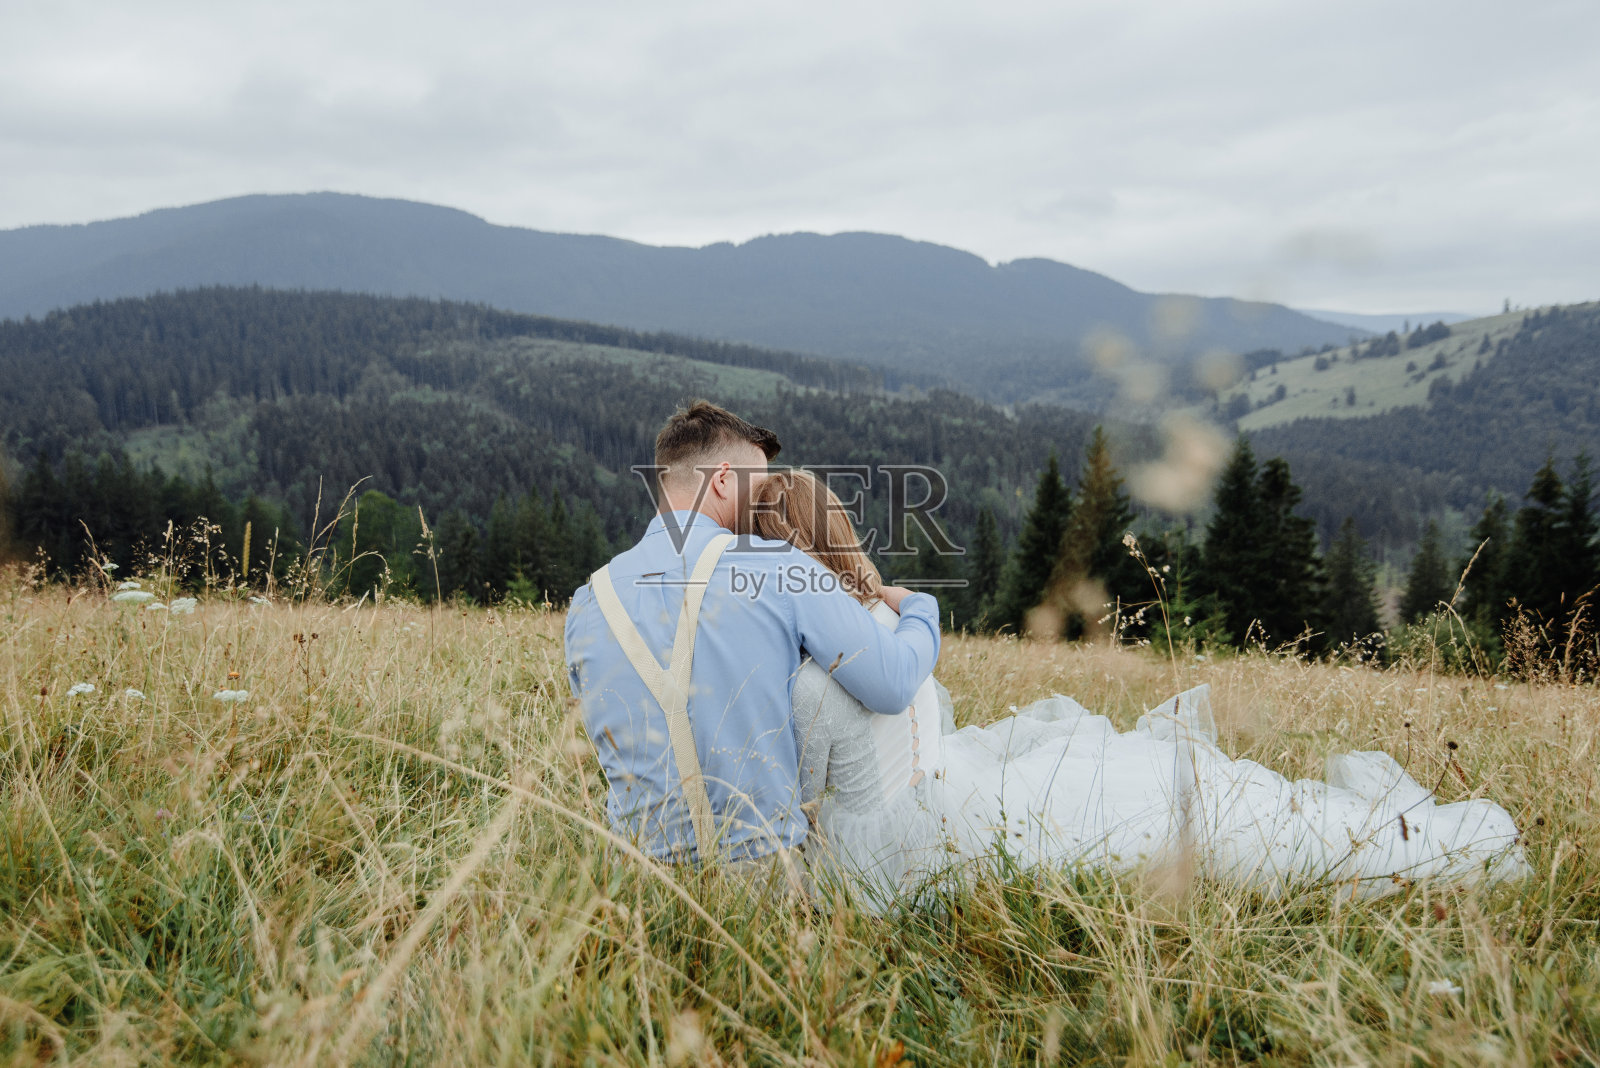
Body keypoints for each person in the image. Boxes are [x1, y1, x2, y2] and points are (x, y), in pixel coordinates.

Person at [751, 469, 1531, 909]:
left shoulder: (813, 674)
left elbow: (789, 805)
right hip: (948, 796)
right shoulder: (882, 624)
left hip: (880, 857)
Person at [563, 401, 942, 881]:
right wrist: (919, 608)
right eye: (759, 487)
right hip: (764, 879)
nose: (766, 504)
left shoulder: (588, 601)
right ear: (721, 480)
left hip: (636, 883)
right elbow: (894, 681)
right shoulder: (778, 566)